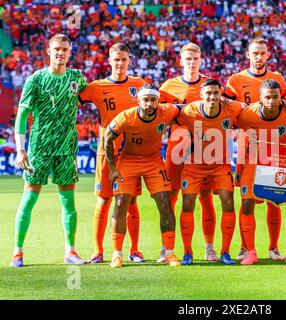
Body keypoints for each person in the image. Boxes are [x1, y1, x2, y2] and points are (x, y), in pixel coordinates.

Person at [11, 34, 87, 267]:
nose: (60, 53)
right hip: (39, 150)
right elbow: (22, 115)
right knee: (29, 199)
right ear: (48, 51)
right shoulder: (36, 79)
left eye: (65, 49)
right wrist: (21, 150)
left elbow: (93, 97)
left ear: (70, 53)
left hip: (66, 150)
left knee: (69, 202)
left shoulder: (76, 78)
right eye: (57, 49)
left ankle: (71, 252)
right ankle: (18, 252)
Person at [79, 42, 147, 264]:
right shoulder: (96, 86)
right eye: (116, 59)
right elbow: (73, 100)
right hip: (105, 153)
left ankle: (134, 250)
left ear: (129, 61)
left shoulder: (140, 85)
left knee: (132, 202)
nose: (120, 64)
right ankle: (98, 251)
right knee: (104, 201)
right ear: (109, 61)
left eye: (124, 60)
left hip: (131, 153)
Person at [224, 37, 286, 262]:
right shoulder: (236, 80)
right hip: (246, 147)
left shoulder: (278, 79)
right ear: (248, 55)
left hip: (273, 146)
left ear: (268, 54)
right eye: (255, 53)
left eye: (262, 53)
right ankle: (245, 246)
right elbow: (227, 108)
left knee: (275, 197)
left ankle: (274, 247)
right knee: (246, 198)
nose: (259, 57)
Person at [104, 84, 181, 268]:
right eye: (145, 100)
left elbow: (185, 108)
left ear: (158, 101)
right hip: (128, 160)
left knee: (165, 202)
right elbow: (107, 137)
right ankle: (117, 254)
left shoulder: (167, 111)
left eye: (152, 100)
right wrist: (113, 168)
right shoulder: (126, 117)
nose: (149, 104)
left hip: (153, 161)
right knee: (121, 203)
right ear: (138, 101)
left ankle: (168, 252)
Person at [236, 79, 286, 265]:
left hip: (281, 162)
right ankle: (250, 251)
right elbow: (233, 127)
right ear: (260, 99)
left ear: (280, 98)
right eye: (267, 97)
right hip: (254, 162)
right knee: (247, 203)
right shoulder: (247, 115)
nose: (271, 101)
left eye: (275, 97)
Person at [158, 42, 218, 263]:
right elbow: (159, 118)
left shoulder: (209, 86)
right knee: (170, 197)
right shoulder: (168, 87)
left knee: (205, 199)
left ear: (201, 59)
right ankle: (167, 248)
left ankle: (209, 248)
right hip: (176, 147)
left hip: (205, 149)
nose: (192, 62)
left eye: (195, 58)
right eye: (188, 59)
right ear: (180, 61)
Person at [176, 78, 243, 265]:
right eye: (208, 93)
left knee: (228, 202)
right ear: (201, 95)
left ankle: (225, 252)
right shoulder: (189, 111)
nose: (212, 97)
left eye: (216, 93)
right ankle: (187, 252)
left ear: (221, 94)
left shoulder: (232, 108)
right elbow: (167, 113)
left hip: (220, 165)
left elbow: (252, 108)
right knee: (188, 204)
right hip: (194, 165)